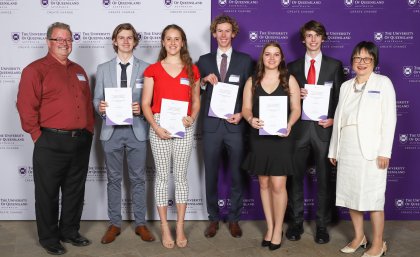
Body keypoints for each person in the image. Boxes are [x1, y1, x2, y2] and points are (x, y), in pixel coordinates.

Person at [16, 22, 94, 255]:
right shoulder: (35, 70)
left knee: (74, 191)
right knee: (48, 192)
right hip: (50, 141)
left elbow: (87, 105)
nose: (64, 43)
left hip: (80, 140)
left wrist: (88, 131)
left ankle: (69, 231)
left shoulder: (79, 70)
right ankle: (49, 238)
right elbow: (26, 106)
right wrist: (37, 136)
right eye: (59, 39)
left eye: (68, 39)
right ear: (48, 41)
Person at [328, 41, 396, 257]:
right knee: (350, 195)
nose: (362, 62)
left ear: (374, 62)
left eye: (367, 58)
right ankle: (359, 237)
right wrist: (333, 150)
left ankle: (378, 243)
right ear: (352, 61)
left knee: (374, 197)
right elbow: (338, 119)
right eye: (357, 58)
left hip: (372, 151)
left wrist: (385, 150)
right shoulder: (346, 86)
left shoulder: (383, 83)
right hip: (347, 149)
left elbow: (389, 120)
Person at [93, 23, 155, 244]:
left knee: (138, 179)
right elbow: (96, 98)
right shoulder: (103, 68)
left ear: (135, 41)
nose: (126, 41)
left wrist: (142, 109)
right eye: (121, 37)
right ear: (114, 41)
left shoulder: (148, 68)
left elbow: (153, 100)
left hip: (137, 130)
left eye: (130, 38)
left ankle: (140, 224)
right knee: (113, 180)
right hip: (111, 131)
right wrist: (100, 108)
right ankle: (114, 224)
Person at [141, 24, 200, 249]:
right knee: (163, 177)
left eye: (177, 39)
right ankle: (165, 226)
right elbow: (146, 104)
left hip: (184, 127)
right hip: (159, 128)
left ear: (183, 42)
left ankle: (180, 226)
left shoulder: (191, 69)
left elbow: (195, 101)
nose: (173, 43)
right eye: (168, 39)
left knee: (181, 177)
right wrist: (155, 127)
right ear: (163, 42)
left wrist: (192, 118)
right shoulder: (153, 70)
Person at [286, 20, 345, 244]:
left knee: (324, 181)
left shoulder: (335, 66)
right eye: (309, 35)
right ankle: (296, 222)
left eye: (317, 35)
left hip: (323, 131)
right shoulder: (292, 67)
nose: (313, 39)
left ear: (323, 39)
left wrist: (334, 119)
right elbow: (283, 99)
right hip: (299, 130)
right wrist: (294, 95)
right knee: (295, 180)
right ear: (303, 39)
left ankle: (322, 226)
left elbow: (341, 100)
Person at [197, 14, 253, 238]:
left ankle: (234, 218)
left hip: (235, 126)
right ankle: (213, 218)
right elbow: (194, 94)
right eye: (219, 31)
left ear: (234, 34)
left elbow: (251, 93)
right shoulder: (203, 60)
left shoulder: (245, 60)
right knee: (210, 174)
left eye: (227, 31)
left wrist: (242, 114)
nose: (223, 35)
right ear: (214, 34)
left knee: (237, 174)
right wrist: (202, 82)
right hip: (211, 127)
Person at [242, 42, 301, 250]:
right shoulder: (252, 80)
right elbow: (246, 108)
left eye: (276, 54)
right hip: (259, 138)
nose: (272, 58)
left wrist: (289, 124)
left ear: (281, 58)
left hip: (282, 138)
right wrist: (250, 120)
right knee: (264, 183)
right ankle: (269, 226)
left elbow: (296, 109)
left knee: (278, 185)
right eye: (268, 54)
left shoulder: (289, 80)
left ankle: (278, 229)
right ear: (262, 57)